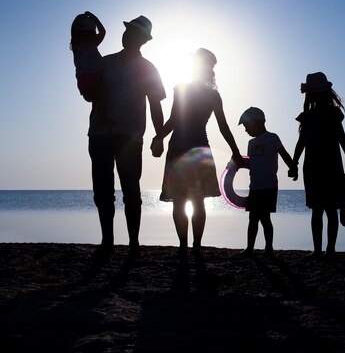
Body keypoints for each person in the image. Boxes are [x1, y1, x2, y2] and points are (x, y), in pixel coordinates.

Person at [151, 48, 243, 258]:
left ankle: (185, 246)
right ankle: (195, 247)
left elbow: (174, 121)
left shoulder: (183, 89)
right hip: (199, 148)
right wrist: (235, 151)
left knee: (180, 201)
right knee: (197, 200)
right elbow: (223, 127)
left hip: (180, 148)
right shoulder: (212, 95)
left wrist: (159, 137)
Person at [88, 15, 166, 259]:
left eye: (131, 31)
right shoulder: (105, 63)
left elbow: (156, 105)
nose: (125, 34)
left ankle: (133, 243)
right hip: (100, 134)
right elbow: (90, 94)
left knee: (131, 190)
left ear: (142, 39)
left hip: (130, 136)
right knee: (102, 190)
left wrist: (159, 136)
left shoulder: (148, 68)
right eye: (126, 30)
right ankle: (107, 242)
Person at [291, 72, 345, 258]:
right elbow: (302, 142)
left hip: (321, 166)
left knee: (322, 209)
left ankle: (326, 249)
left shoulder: (324, 115)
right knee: (323, 209)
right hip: (323, 165)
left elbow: (341, 138)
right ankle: (324, 249)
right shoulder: (316, 115)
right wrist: (294, 163)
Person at [237, 107, 297, 257]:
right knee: (252, 218)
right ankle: (250, 248)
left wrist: (293, 168)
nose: (245, 130)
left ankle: (269, 248)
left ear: (257, 123)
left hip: (269, 186)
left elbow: (284, 154)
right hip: (254, 186)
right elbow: (251, 163)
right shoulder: (250, 143)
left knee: (265, 218)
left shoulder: (272, 138)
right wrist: (237, 164)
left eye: (246, 126)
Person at [70, 11, 106, 102]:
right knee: (101, 101)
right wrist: (93, 17)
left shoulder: (90, 43)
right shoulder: (76, 44)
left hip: (90, 79)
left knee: (100, 103)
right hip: (89, 79)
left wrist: (93, 17)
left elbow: (102, 32)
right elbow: (102, 31)